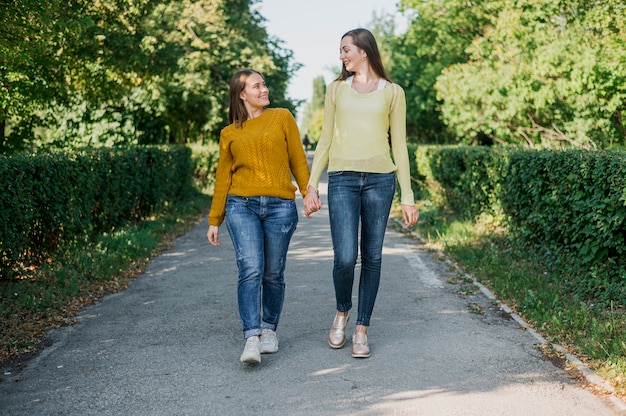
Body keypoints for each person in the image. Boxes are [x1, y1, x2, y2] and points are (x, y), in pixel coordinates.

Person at [303, 28, 419, 359]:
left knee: (373, 256)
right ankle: (342, 311)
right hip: (341, 179)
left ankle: (362, 329)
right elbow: (325, 138)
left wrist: (407, 195)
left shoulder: (393, 92)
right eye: (340, 51)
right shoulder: (336, 89)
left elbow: (399, 144)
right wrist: (312, 183)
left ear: (364, 51)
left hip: (381, 181)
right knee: (344, 257)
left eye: (345, 49)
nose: (341, 56)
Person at [207, 69, 311, 365]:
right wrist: (215, 219)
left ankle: (269, 330)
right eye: (257, 86)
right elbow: (222, 177)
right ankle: (251, 337)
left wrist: (308, 192)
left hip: (280, 206)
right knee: (250, 267)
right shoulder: (229, 133)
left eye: (264, 84)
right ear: (242, 94)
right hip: (241, 205)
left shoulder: (282, 117)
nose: (264, 89)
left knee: (273, 272)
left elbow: (298, 159)